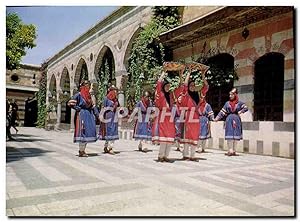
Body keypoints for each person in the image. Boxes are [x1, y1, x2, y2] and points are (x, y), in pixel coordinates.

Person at [68, 80, 99, 157]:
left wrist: (97, 115)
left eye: (89, 85)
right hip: (81, 114)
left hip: (89, 115)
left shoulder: (89, 96)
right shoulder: (79, 94)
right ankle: (81, 151)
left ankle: (83, 150)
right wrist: (77, 108)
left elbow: (93, 106)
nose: (88, 87)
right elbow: (70, 103)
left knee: (88, 131)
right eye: (87, 85)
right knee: (82, 131)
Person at [214, 88, 248, 156]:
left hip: (236, 119)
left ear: (235, 95)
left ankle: (234, 150)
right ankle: (230, 150)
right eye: (229, 94)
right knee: (229, 135)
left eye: (231, 94)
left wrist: (240, 111)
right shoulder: (227, 103)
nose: (230, 96)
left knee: (235, 135)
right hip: (229, 119)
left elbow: (246, 108)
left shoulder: (240, 103)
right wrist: (217, 118)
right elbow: (222, 112)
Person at [152, 71, 176, 162]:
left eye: (169, 86)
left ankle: (166, 156)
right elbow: (158, 83)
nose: (168, 87)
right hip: (162, 117)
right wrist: (163, 72)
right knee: (163, 138)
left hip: (170, 118)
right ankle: (160, 156)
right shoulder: (161, 94)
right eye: (166, 86)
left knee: (169, 137)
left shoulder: (170, 95)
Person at [178, 70, 200, 161]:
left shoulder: (197, 95)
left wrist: (202, 75)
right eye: (191, 85)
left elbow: (206, 87)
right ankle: (185, 155)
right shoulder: (186, 95)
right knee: (187, 135)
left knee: (194, 135)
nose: (192, 87)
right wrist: (188, 73)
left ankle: (193, 155)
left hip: (195, 117)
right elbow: (185, 85)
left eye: (194, 85)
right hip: (187, 116)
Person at [99, 85, 120, 154]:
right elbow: (103, 108)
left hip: (114, 117)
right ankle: (108, 147)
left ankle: (109, 147)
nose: (116, 92)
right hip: (108, 117)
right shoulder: (106, 99)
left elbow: (119, 108)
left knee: (113, 131)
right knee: (108, 132)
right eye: (115, 91)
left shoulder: (116, 100)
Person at [197, 75, 214, 153]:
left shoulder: (207, 105)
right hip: (198, 121)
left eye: (203, 96)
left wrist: (213, 118)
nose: (202, 97)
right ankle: (199, 147)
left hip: (205, 120)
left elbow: (210, 113)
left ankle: (203, 147)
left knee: (205, 133)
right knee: (199, 134)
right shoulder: (196, 105)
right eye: (201, 96)